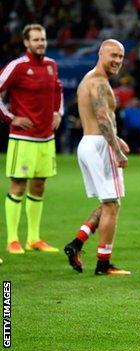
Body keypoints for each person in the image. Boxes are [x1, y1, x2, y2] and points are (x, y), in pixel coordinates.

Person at [63, 39, 131, 275]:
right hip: (100, 146)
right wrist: (117, 150)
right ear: (100, 53)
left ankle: (77, 244)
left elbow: (99, 118)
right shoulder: (100, 83)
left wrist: (116, 138)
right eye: (113, 55)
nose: (117, 61)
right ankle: (103, 264)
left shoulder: (89, 79)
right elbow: (103, 119)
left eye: (121, 57)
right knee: (112, 206)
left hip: (89, 143)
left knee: (108, 203)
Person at [0, 24, 63, 254]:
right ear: (26, 42)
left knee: (39, 185)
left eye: (43, 39)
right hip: (23, 138)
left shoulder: (51, 65)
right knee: (18, 185)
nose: (40, 43)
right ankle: (13, 240)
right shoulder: (17, 67)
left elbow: (58, 91)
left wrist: (58, 113)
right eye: (36, 40)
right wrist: (10, 117)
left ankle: (34, 238)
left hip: (46, 137)